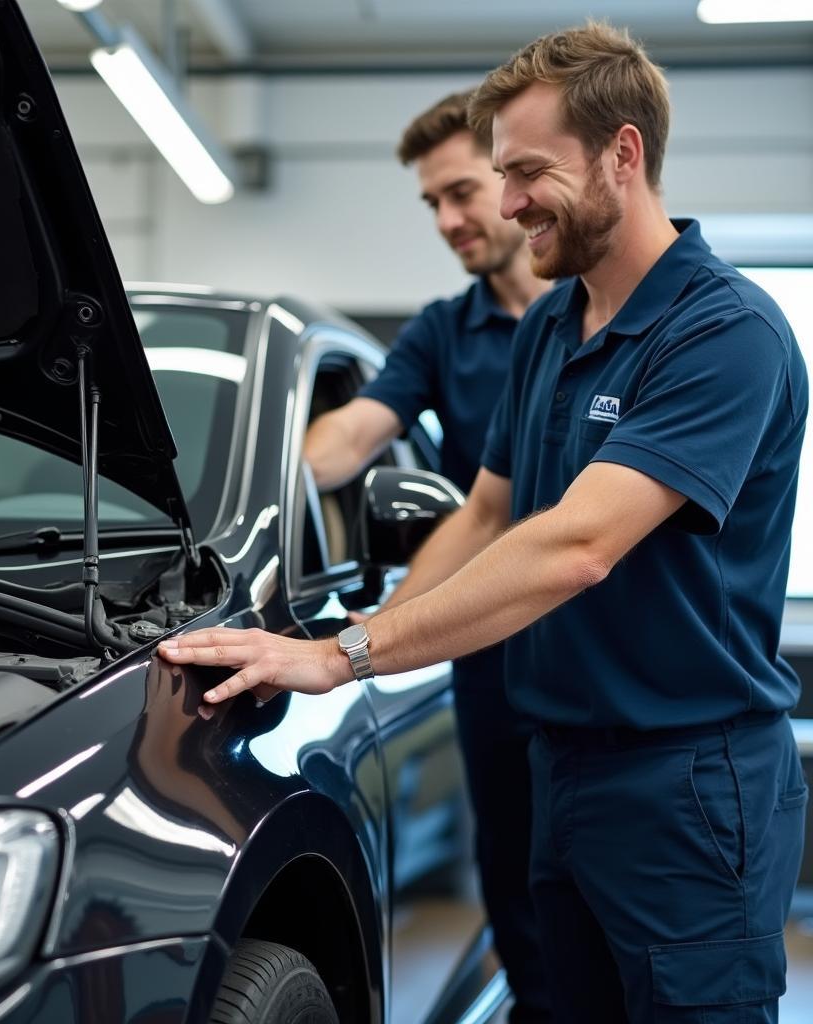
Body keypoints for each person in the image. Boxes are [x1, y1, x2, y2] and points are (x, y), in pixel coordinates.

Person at [160, 22, 809, 1024]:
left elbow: (575, 546)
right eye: (497, 175)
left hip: (687, 781)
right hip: (559, 764)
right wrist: (338, 636)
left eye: (527, 173)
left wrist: (346, 657)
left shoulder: (724, 333)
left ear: (622, 154)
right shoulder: (554, 321)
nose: (505, 205)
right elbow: (488, 511)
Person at [303, 92, 552, 1024]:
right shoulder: (445, 331)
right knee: (522, 897)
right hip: (491, 656)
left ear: (517, 175)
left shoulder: (604, 312)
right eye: (431, 205)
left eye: (460, 193)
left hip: (611, 652)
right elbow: (346, 443)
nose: (447, 221)